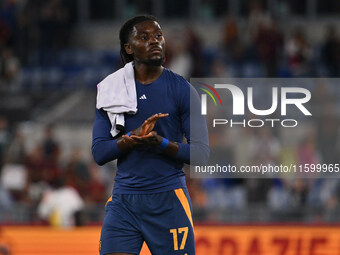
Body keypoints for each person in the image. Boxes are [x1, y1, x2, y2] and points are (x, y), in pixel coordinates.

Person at [92, 15, 209, 255]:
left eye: (158, 36)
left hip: (169, 201)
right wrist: (131, 139)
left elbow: (201, 155)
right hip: (124, 201)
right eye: (144, 37)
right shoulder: (110, 90)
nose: (155, 41)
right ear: (129, 47)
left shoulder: (183, 90)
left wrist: (161, 143)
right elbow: (100, 152)